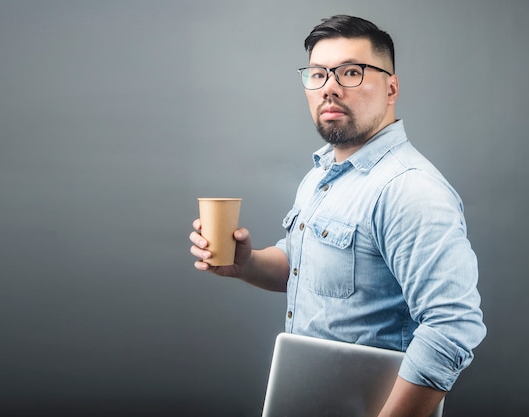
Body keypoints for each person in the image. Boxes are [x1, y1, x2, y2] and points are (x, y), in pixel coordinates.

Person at [189, 15, 486, 417]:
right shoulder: (320, 175)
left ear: (391, 87)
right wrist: (248, 264)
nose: (329, 87)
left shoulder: (411, 190)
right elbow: (307, 267)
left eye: (350, 72)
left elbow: (452, 328)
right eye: (317, 74)